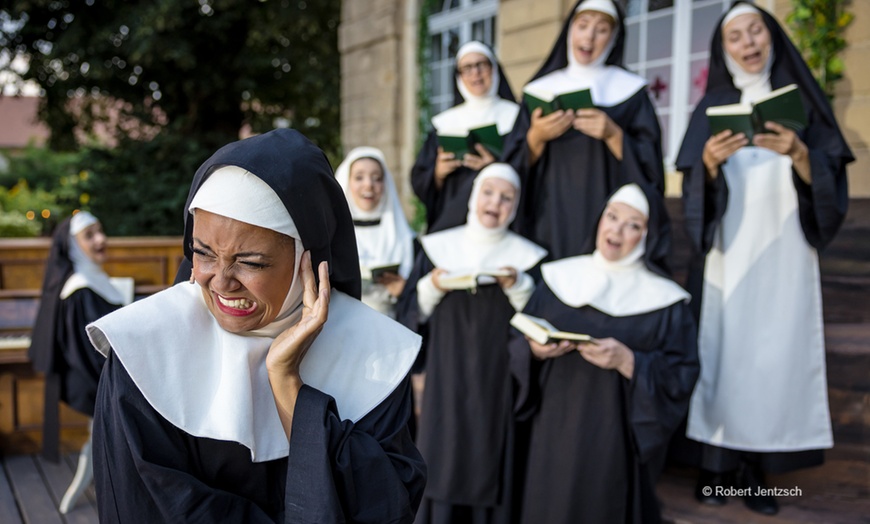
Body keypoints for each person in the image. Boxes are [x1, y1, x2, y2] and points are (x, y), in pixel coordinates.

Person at [86, 129, 426, 522]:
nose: (222, 281)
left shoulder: (378, 354)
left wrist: (287, 385)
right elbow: (146, 505)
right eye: (202, 253)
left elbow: (382, 507)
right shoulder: (143, 349)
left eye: (251, 262)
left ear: (308, 259)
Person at [675, 2, 853, 516]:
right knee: (722, 356)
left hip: (785, 256)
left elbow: (829, 181)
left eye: (756, 31)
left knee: (772, 360)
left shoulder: (802, 106)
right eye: (736, 36)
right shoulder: (711, 105)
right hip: (729, 255)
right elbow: (693, 189)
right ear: (724, 49)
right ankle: (717, 467)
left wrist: (800, 154)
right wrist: (707, 166)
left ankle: (755, 474)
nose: (748, 42)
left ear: (772, 38)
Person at [509, 183, 699, 523]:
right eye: (612, 216)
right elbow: (515, 342)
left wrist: (629, 362)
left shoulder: (666, 301)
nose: (616, 230)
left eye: (633, 224)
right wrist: (534, 351)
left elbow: (682, 374)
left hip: (612, 441)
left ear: (648, 235)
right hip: (550, 433)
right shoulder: (558, 278)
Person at [398, 163, 546, 524]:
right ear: (474, 196)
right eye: (489, 192)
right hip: (446, 378)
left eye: (506, 197)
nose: (495, 203)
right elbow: (410, 317)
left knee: (490, 456)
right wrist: (431, 288)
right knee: (443, 453)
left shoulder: (529, 259)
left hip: (499, 380)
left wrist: (519, 288)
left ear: (515, 206)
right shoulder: (437, 249)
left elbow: (541, 326)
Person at [503, 0, 663, 261]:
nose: (589, 36)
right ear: (570, 30)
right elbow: (509, 170)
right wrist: (536, 138)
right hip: (548, 218)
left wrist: (614, 135)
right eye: (583, 25)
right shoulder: (539, 90)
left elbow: (651, 169)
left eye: (601, 29)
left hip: (607, 219)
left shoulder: (632, 93)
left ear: (613, 38)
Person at [28, 211, 128, 513]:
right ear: (72, 245)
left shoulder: (94, 278)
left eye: (101, 231)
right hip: (86, 381)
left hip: (97, 371)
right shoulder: (79, 289)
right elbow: (84, 354)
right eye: (90, 235)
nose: (101, 239)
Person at [411, 41, 519, 233]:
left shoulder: (516, 117)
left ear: (494, 68)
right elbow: (418, 179)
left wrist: (493, 167)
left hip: (502, 223)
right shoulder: (444, 123)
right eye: (467, 68)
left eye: (481, 65)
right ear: (459, 77)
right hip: (451, 222)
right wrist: (437, 174)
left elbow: (532, 170)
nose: (475, 73)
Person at [335, 146, 416, 318]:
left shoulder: (404, 237)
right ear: (346, 182)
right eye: (359, 177)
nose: (369, 185)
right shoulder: (330, 234)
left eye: (377, 178)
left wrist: (404, 289)